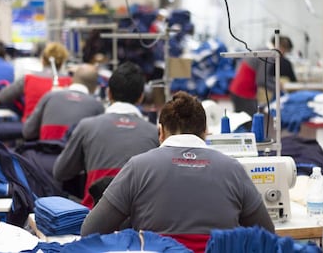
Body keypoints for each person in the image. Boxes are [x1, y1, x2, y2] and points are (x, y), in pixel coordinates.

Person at [80, 91, 274, 253]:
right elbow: (267, 234)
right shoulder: (233, 169)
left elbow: (90, 231)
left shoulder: (138, 167)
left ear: (161, 131)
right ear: (206, 131)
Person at [53, 61, 159, 208]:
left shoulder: (87, 127)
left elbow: (61, 172)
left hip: (94, 219)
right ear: (141, 97)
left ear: (108, 93)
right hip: (141, 223)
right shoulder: (155, 133)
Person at [22, 63, 105, 141]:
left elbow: (28, 132)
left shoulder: (49, 96)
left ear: (72, 80)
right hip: (76, 156)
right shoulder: (97, 106)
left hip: (46, 154)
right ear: (95, 88)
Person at [0, 42, 71, 122]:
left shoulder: (28, 79)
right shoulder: (70, 82)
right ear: (62, 62)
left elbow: (2, 97)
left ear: (42, 60)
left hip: (31, 129)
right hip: (60, 128)